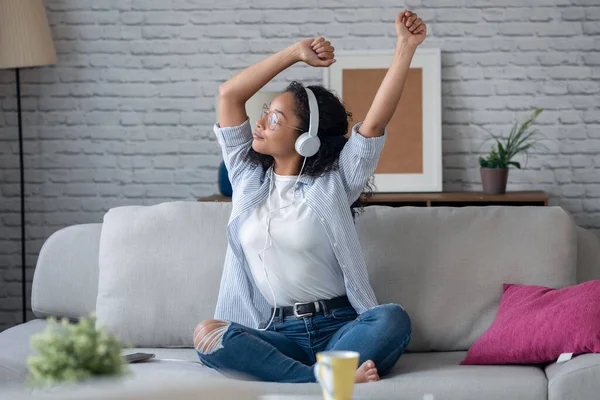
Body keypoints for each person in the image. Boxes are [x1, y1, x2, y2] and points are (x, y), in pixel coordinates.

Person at [194, 10, 427, 383]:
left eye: (275, 118)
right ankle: (322, 376)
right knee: (209, 335)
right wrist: (294, 53)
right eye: (266, 112)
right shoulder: (246, 175)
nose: (261, 120)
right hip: (278, 331)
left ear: (307, 138)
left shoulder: (336, 182)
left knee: (391, 318)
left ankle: (313, 373)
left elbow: (375, 123)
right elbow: (229, 93)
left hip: (341, 327)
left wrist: (406, 47)